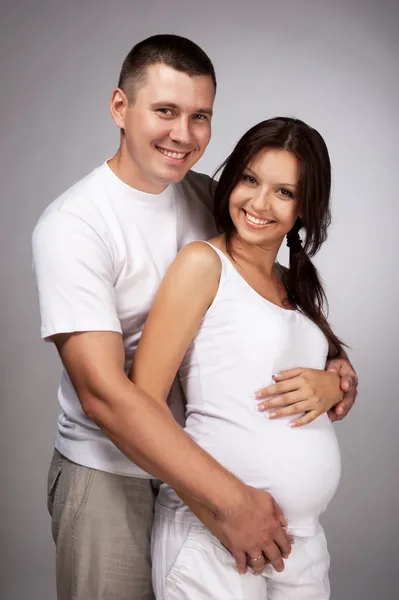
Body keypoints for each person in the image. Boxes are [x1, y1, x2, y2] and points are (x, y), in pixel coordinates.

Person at [32, 34, 357, 600]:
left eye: (199, 116)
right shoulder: (74, 225)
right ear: (119, 108)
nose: (183, 134)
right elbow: (105, 396)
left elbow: (270, 301)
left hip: (200, 465)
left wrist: (336, 369)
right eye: (165, 111)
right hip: (111, 469)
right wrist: (226, 500)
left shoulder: (211, 197)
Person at [130, 117, 345, 599]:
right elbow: (141, 408)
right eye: (250, 179)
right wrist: (220, 512)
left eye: (283, 192)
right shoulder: (203, 265)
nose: (258, 203)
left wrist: (338, 382)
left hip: (301, 539)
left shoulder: (294, 285)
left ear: (304, 208)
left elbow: (323, 366)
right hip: (216, 535)